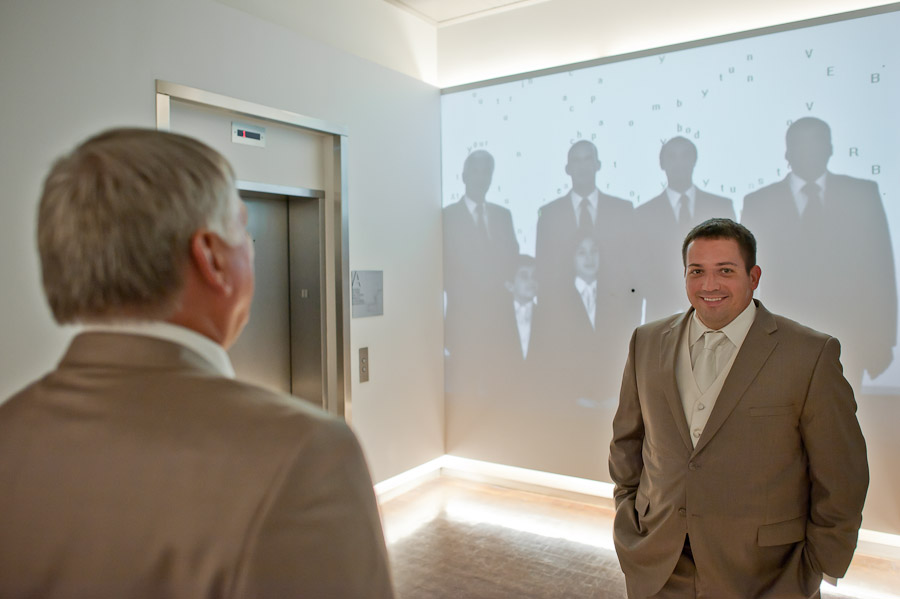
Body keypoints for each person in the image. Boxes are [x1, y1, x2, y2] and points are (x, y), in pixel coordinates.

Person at [0, 128, 394, 598]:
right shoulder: (306, 457)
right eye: (244, 231)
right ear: (212, 258)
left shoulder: (12, 428)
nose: (250, 247)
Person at [609, 218, 868, 598]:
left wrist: (822, 563)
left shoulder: (810, 354)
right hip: (658, 564)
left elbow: (841, 473)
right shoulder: (646, 342)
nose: (709, 285)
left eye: (725, 271)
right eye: (697, 271)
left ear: (754, 276)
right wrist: (628, 520)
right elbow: (627, 443)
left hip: (765, 575)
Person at [741, 117, 896, 391]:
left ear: (830, 148)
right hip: (777, 337)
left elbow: (881, 269)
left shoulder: (862, 194)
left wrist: (884, 341)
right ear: (787, 153)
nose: (809, 151)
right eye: (800, 145)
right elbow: (744, 277)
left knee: (839, 427)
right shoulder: (759, 202)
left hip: (851, 339)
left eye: (816, 143)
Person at [534, 140, 639, 327]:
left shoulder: (622, 210)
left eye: (587, 159)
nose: (582, 166)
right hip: (562, 320)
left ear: (597, 165)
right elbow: (544, 271)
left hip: (615, 319)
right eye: (576, 160)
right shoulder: (549, 214)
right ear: (567, 168)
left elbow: (633, 267)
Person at [443, 149, 519, 397]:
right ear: (463, 175)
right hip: (463, 323)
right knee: (465, 391)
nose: (481, 177)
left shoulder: (503, 215)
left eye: (487, 171)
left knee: (501, 390)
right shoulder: (446, 217)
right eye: (475, 170)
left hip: (500, 321)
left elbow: (513, 259)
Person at [636, 136, 735, 322]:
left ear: (694, 160)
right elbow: (638, 264)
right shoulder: (642, 214)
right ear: (662, 163)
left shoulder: (721, 205)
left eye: (685, 156)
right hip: (659, 309)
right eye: (672, 157)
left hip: (715, 303)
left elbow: (733, 259)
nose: (678, 163)